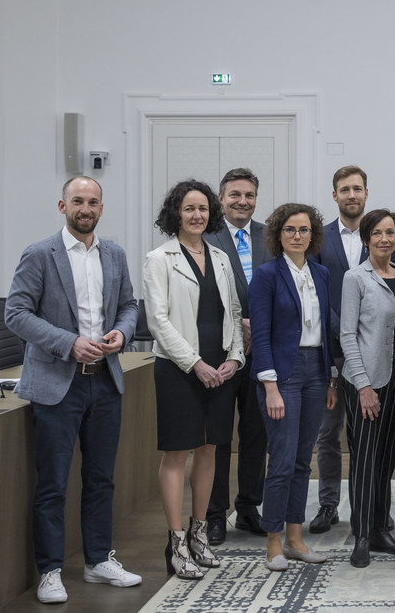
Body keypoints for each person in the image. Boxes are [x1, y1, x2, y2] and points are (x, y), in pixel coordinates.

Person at [5, 176, 142, 604]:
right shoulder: (39, 254)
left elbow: (129, 305)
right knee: (53, 484)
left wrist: (121, 332)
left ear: (102, 208)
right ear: (62, 206)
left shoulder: (114, 253)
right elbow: (16, 313)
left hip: (104, 382)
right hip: (56, 387)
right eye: (78, 201)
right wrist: (68, 343)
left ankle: (99, 560)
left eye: (93, 201)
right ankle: (49, 571)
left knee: (101, 480)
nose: (86, 208)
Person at [143, 180, 245, 580]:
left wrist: (235, 357)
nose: (197, 215)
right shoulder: (159, 258)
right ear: (176, 213)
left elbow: (234, 312)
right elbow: (158, 321)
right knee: (177, 453)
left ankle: (199, 533)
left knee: (209, 450)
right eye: (189, 209)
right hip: (178, 368)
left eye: (203, 208)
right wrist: (194, 363)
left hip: (220, 368)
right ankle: (175, 539)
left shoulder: (220, 256)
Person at [309, 166, 395, 536]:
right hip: (331, 351)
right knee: (328, 433)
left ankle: (378, 508)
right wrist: (341, 330)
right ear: (335, 196)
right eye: (344, 189)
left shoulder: (384, 234)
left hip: (378, 354)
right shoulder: (319, 238)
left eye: (357, 189)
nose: (351, 195)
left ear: (366, 193)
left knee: (375, 438)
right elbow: (315, 291)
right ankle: (329, 504)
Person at [249, 203, 333, 571]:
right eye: (290, 230)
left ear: (312, 235)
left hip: (316, 370)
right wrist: (269, 385)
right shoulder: (266, 275)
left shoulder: (322, 273)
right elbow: (262, 335)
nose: (297, 236)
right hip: (282, 374)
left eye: (303, 230)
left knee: (303, 460)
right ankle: (273, 541)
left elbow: (326, 329)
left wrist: (330, 376)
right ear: (277, 235)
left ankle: (296, 537)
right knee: (281, 461)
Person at [339, 209, 395, 567]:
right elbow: (346, 335)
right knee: (365, 459)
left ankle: (382, 529)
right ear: (367, 238)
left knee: (386, 457)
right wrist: (363, 386)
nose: (386, 239)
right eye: (378, 233)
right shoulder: (355, 277)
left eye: (391, 233)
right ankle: (363, 535)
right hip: (367, 381)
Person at [204, 168, 270, 544]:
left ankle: (248, 507)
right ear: (221, 197)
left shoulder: (268, 235)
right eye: (234, 195)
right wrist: (235, 325)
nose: (242, 201)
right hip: (219, 354)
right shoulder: (204, 235)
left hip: (261, 353)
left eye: (248, 195)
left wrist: (257, 327)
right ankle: (215, 513)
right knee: (218, 436)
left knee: (256, 434)